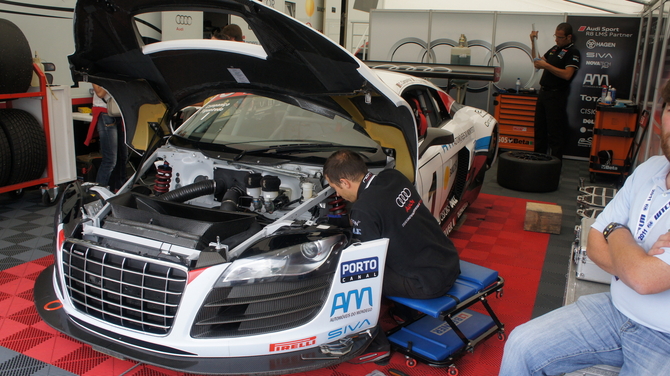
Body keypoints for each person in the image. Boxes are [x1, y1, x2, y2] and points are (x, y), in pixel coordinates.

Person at [499, 80, 670, 376]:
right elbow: (594, 242)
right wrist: (630, 252)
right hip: (615, 310)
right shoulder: (649, 169)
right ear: (661, 117)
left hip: (663, 338)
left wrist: (616, 233)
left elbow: (644, 279)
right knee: (522, 345)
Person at [323, 149, 461, 363]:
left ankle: (374, 345)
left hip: (428, 283)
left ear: (344, 182)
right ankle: (407, 313)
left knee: (351, 276)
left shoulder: (363, 210)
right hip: (448, 261)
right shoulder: (393, 177)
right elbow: (391, 218)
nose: (338, 195)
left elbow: (367, 266)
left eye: (335, 188)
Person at [530, 22, 580, 160]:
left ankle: (554, 166)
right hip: (544, 93)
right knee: (539, 130)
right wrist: (533, 42)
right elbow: (537, 62)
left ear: (569, 37)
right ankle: (536, 162)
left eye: (560, 37)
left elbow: (567, 74)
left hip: (556, 95)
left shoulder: (573, 52)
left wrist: (547, 66)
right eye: (555, 36)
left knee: (554, 134)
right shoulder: (554, 49)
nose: (556, 40)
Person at [85, 84, 128, 191]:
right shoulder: (97, 71)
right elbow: (100, 93)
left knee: (122, 156)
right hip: (105, 112)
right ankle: (99, 193)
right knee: (110, 160)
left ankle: (120, 190)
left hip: (120, 111)